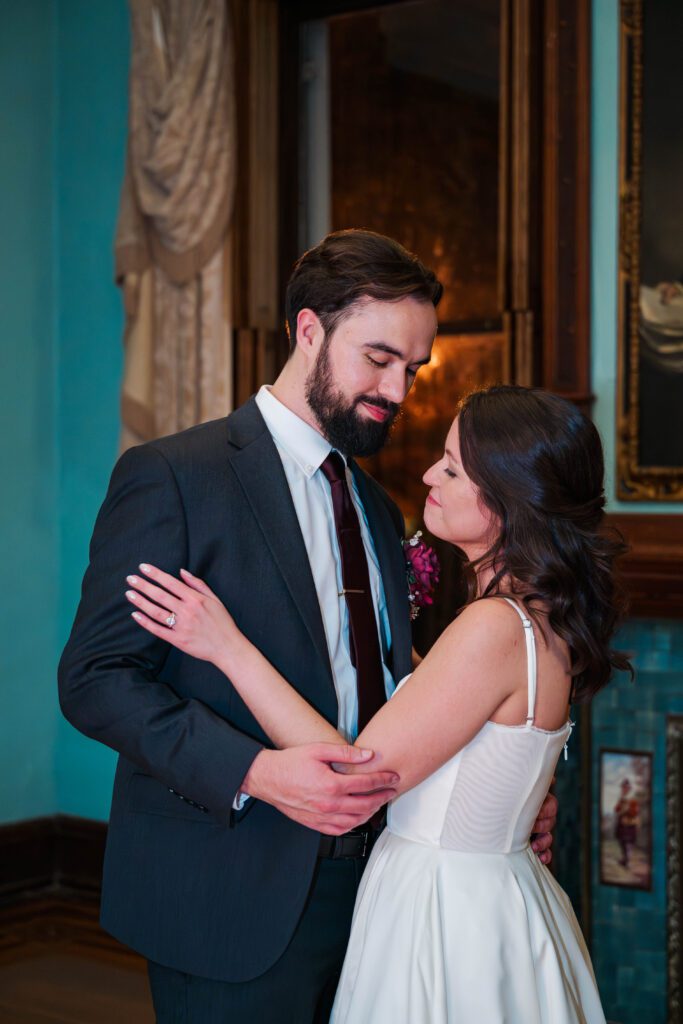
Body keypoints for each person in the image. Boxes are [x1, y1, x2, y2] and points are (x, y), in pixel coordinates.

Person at [58, 231, 556, 1023]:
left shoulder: (381, 510)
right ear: (308, 330)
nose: (398, 390)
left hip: (379, 897)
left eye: (412, 369)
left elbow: (400, 689)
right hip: (228, 889)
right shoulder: (174, 477)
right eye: (379, 358)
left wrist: (493, 783)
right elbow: (94, 682)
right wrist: (255, 772)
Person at [126, 384, 631, 1023]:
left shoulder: (492, 628)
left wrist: (227, 646)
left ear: (506, 499)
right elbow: (446, 716)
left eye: (452, 467)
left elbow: (352, 772)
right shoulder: (539, 619)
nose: (428, 475)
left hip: (443, 915)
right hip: (492, 899)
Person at [614, 778, 640, 868]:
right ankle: (624, 860)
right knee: (622, 841)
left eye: (625, 787)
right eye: (623, 787)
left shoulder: (632, 799)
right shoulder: (621, 798)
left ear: (629, 788)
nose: (623, 789)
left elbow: (635, 812)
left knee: (628, 843)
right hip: (621, 824)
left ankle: (627, 862)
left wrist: (626, 811)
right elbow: (616, 809)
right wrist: (620, 804)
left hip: (629, 824)